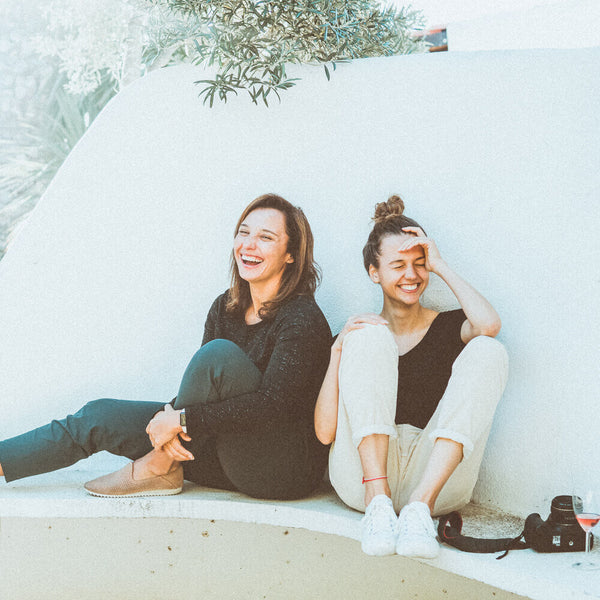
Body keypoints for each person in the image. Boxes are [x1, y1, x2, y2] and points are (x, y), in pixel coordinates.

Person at [0, 193, 331, 501]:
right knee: (97, 416)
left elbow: (273, 407)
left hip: (276, 469)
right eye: (243, 232)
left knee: (217, 355)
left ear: (291, 254)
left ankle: (159, 466)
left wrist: (181, 421)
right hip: (216, 455)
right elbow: (202, 390)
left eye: (266, 237)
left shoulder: (301, 318)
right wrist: (172, 418)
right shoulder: (225, 307)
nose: (249, 244)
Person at [314, 196, 508, 558]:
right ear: (375, 272)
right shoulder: (358, 336)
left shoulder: (448, 326)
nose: (411, 275)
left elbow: (489, 324)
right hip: (363, 481)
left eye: (419, 265)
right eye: (398, 265)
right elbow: (324, 432)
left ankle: (418, 508)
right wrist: (338, 350)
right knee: (368, 333)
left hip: (433, 481)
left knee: (489, 348)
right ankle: (378, 500)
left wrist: (442, 266)